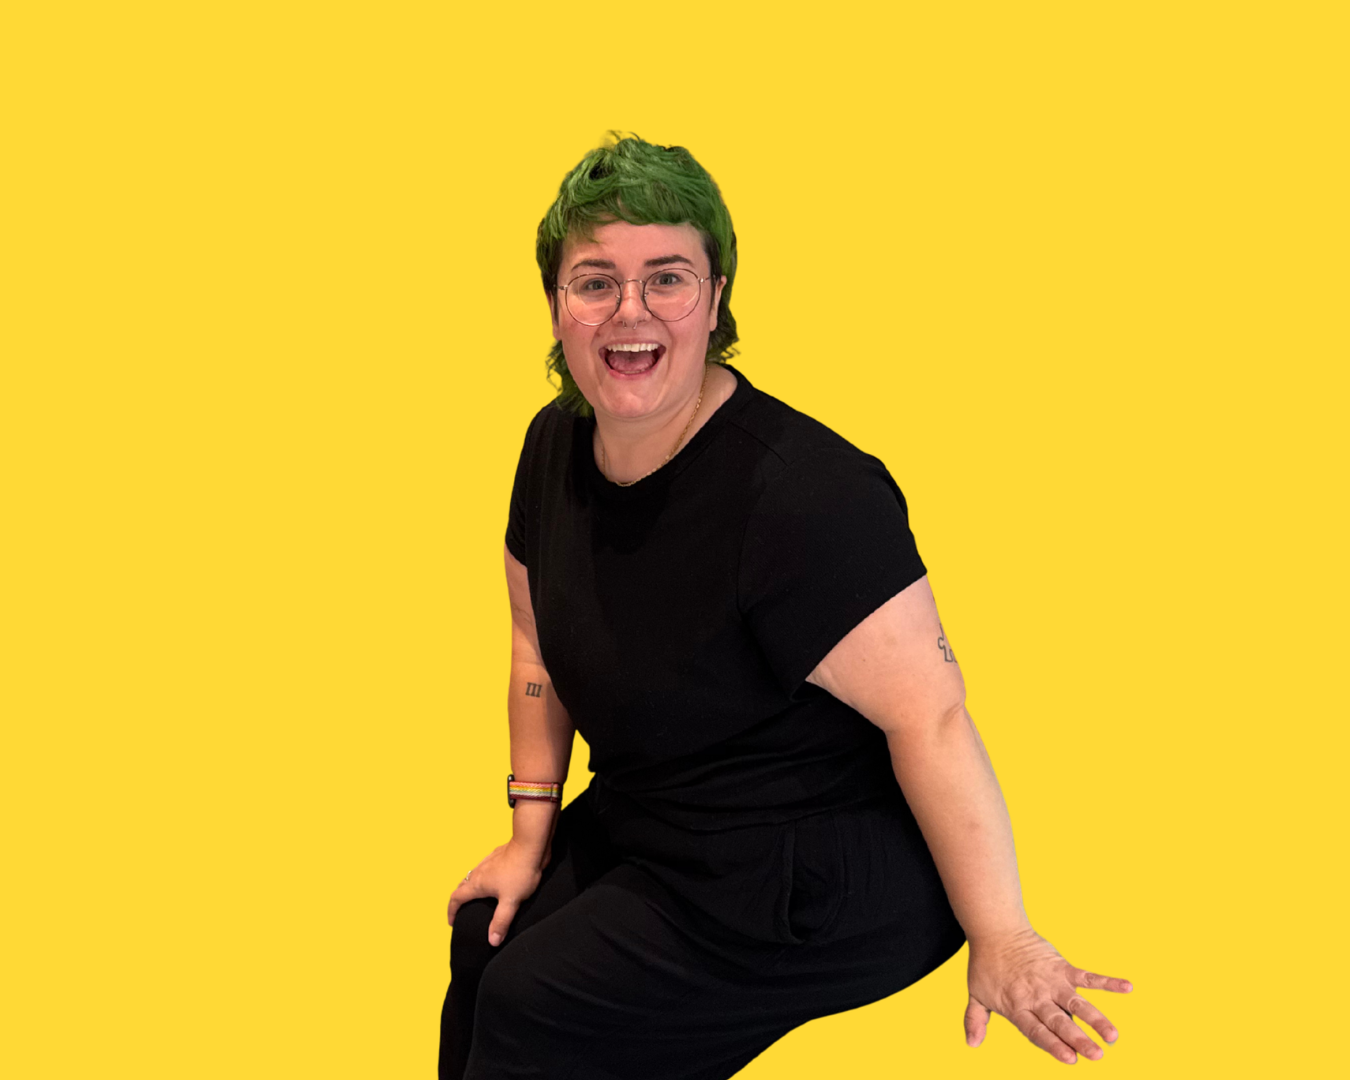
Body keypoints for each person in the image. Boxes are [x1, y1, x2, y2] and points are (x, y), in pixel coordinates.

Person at [439, 134, 1132, 1080]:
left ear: (716, 298)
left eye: (667, 279)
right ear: (557, 306)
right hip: (659, 816)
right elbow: (535, 644)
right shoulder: (553, 448)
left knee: (536, 1006)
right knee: (483, 941)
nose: (629, 312)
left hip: (810, 862)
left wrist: (1005, 936)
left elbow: (931, 717)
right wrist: (531, 836)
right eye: (595, 282)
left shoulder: (804, 495)